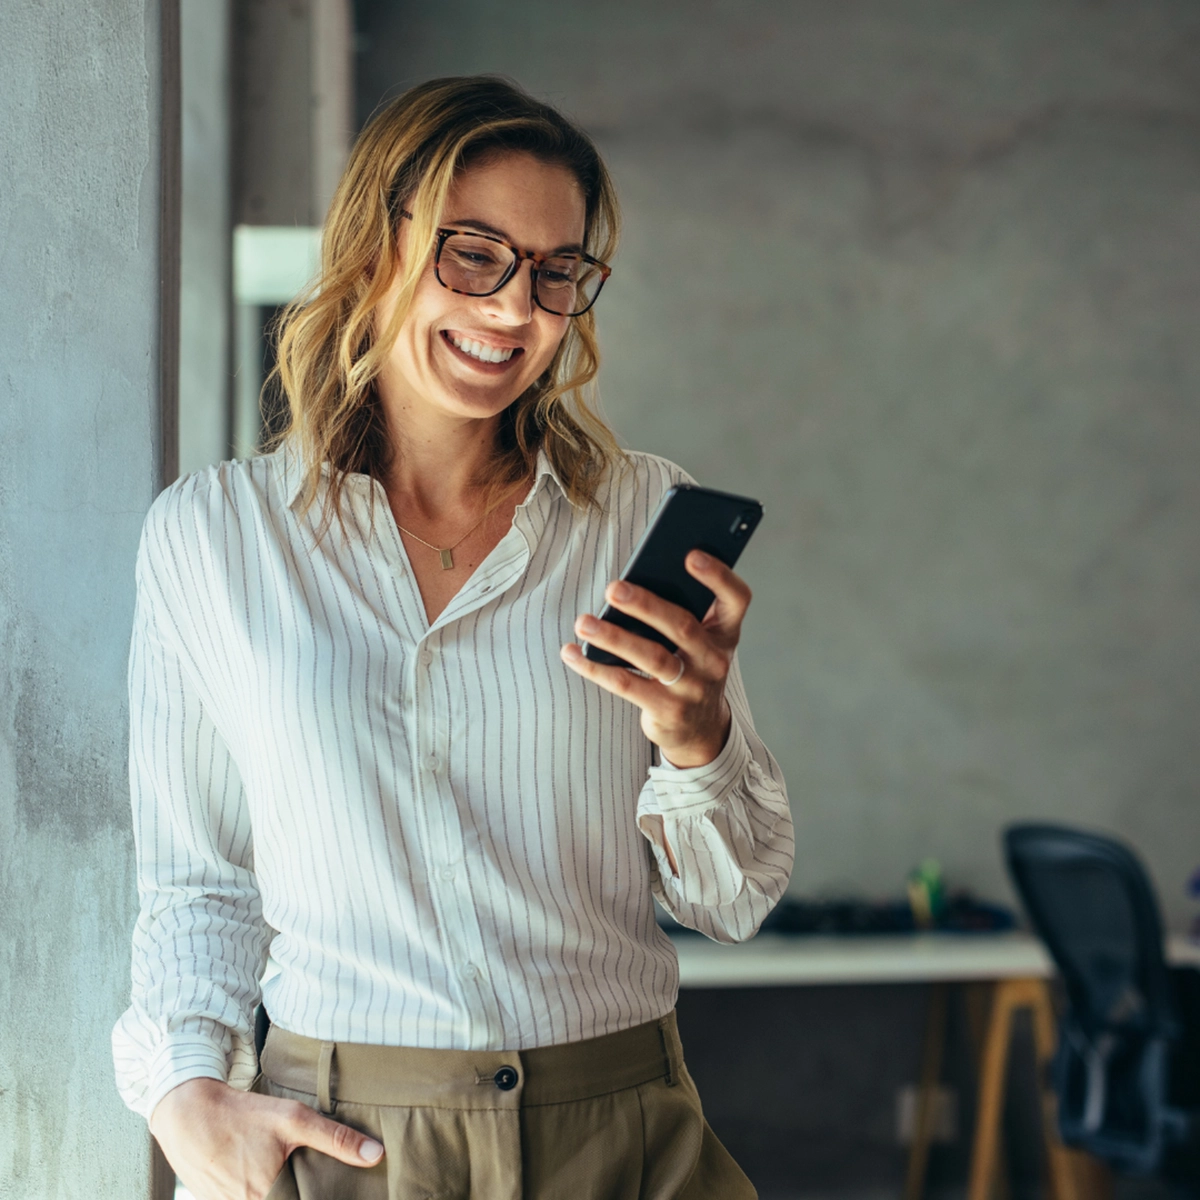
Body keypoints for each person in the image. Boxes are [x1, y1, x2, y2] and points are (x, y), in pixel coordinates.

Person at [113, 75, 794, 1200]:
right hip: (349, 1145)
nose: (517, 310)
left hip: (622, 1133)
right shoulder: (214, 538)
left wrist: (698, 738)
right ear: (374, 246)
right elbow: (198, 881)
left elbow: (734, 900)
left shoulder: (634, 518)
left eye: (556, 271)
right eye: (473, 253)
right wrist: (186, 1099)